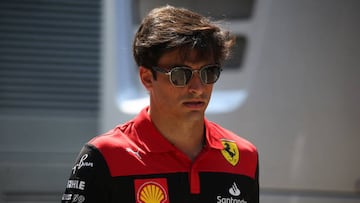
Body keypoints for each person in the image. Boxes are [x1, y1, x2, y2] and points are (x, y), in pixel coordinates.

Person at [61, 5, 259, 203]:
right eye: (181, 74)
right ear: (147, 78)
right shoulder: (103, 155)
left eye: (208, 73)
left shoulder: (245, 156)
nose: (198, 88)